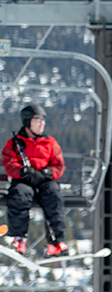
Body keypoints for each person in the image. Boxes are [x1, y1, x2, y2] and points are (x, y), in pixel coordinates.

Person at [2, 104, 70, 256]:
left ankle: (56, 241)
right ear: (27, 122)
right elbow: (9, 163)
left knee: (54, 195)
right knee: (19, 194)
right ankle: (18, 237)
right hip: (24, 180)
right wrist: (23, 171)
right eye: (38, 119)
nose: (42, 123)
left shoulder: (50, 143)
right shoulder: (15, 143)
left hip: (45, 181)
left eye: (43, 120)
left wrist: (47, 173)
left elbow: (58, 165)